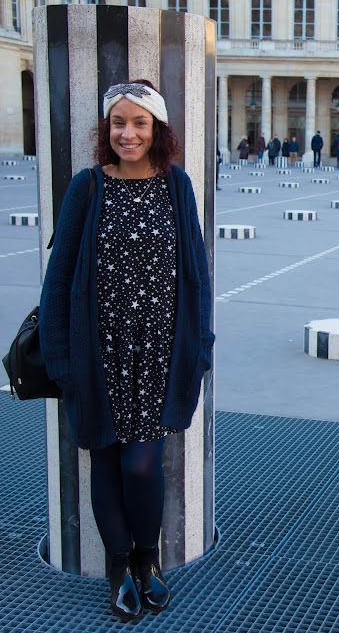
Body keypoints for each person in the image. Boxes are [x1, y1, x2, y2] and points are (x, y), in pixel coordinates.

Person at [39, 80, 214, 622]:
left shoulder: (175, 187)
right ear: (106, 130)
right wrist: (62, 360)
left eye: (139, 123)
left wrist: (200, 345)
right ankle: (120, 568)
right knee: (106, 460)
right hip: (99, 353)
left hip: (157, 353)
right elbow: (59, 276)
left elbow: (197, 275)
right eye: (118, 122)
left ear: (157, 130)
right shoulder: (88, 188)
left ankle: (147, 559)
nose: (127, 133)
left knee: (141, 465)